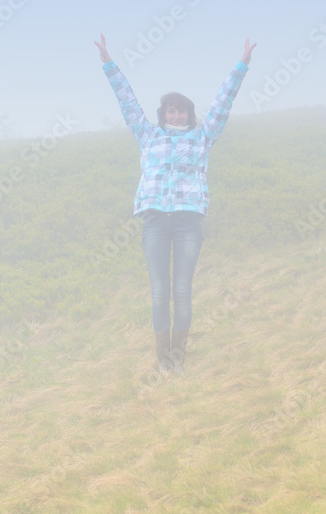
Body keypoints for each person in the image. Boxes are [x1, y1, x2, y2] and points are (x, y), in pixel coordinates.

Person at [95, 34, 256, 375]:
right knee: (159, 292)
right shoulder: (148, 134)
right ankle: (162, 359)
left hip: (188, 223)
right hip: (154, 220)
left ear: (189, 114)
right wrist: (108, 63)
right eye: (171, 109)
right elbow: (126, 101)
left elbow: (223, 103)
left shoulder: (203, 137)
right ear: (163, 113)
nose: (177, 114)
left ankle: (178, 356)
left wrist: (242, 65)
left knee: (182, 290)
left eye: (182, 109)